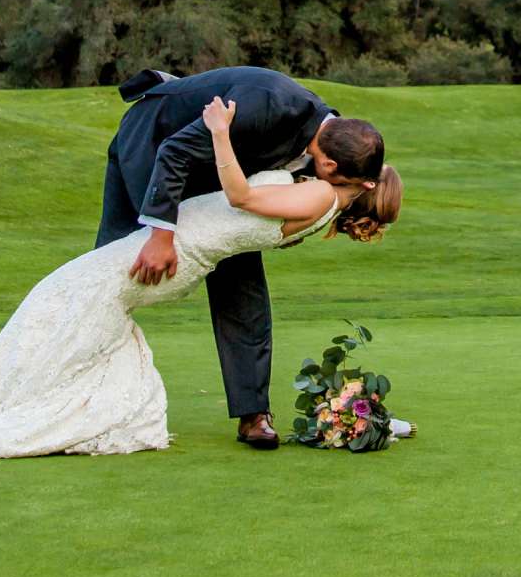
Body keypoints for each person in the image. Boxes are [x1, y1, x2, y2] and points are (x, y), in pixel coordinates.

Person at [0, 92, 401, 458]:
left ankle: (54, 405)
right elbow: (183, 155)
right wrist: (164, 225)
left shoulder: (317, 187)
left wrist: (217, 133)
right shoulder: (289, 129)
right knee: (89, 292)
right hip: (159, 148)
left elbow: (241, 195)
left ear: (338, 171)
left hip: (199, 230)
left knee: (85, 291)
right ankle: (60, 387)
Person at [99, 65, 387, 447]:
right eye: (342, 185)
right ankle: (89, 390)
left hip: (208, 168)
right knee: (111, 271)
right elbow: (175, 151)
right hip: (152, 142)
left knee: (240, 272)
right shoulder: (266, 108)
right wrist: (161, 233)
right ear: (331, 166)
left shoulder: (331, 134)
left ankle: (254, 414)